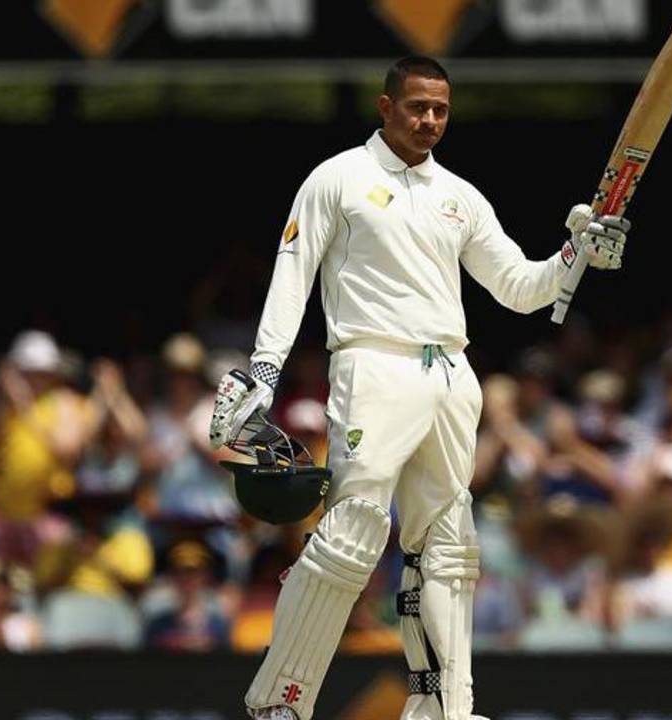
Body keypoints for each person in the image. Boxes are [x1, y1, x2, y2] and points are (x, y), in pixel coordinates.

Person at [210, 56, 631, 720]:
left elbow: (520, 288)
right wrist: (264, 371)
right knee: (353, 530)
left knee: (449, 547)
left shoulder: (458, 195)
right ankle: (281, 703)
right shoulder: (338, 177)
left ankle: (444, 709)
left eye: (440, 110)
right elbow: (293, 272)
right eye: (417, 108)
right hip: (373, 363)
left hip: (452, 373)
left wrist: (576, 254)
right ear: (386, 107)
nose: (430, 120)